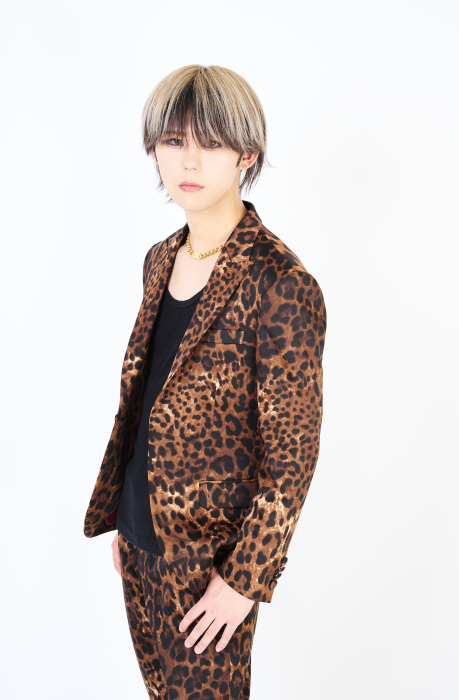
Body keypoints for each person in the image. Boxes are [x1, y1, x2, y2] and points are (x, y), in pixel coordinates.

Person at [84, 64, 327, 700]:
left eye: (211, 142)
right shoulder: (160, 258)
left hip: (210, 563)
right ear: (154, 149)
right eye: (174, 140)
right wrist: (128, 515)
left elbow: (292, 458)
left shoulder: (280, 283)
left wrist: (244, 579)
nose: (189, 160)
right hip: (140, 539)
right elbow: (149, 398)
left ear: (247, 154)